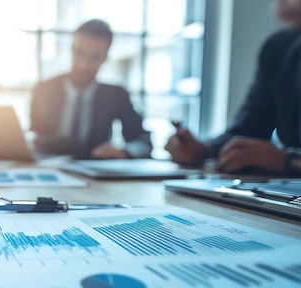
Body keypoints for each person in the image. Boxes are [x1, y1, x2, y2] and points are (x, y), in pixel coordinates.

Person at [165, 0, 301, 174]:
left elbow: (281, 159)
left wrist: (289, 160)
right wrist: (203, 151)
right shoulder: (281, 48)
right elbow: (248, 131)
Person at [30, 19, 152, 160]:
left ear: (105, 57)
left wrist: (124, 151)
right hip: (48, 170)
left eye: (94, 57)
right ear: (71, 49)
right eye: (79, 53)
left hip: (95, 173)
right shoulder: (42, 90)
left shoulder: (116, 95)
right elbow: (33, 137)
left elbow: (143, 141)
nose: (83, 65)